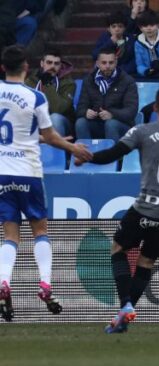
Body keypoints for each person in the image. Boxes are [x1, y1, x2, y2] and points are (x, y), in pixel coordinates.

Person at [75, 88, 159, 333]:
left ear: (155, 109)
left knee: (118, 248)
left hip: (147, 205)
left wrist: (87, 157)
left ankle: (126, 305)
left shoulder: (143, 130)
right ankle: (124, 316)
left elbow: (113, 154)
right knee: (146, 261)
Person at [0, 45, 93, 321]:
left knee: (10, 235)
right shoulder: (35, 96)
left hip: (2, 173)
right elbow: (50, 135)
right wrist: (73, 149)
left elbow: (18, 133)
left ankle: (4, 281)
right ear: (26, 66)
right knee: (40, 230)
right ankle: (45, 283)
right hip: (28, 171)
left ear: (3, 67)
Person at [75, 46, 139, 141]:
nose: (108, 66)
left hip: (121, 125)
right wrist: (86, 112)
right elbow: (80, 108)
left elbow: (131, 111)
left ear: (116, 62)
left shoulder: (128, 81)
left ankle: (114, 155)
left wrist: (112, 114)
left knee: (111, 124)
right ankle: (85, 154)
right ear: (97, 64)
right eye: (104, 63)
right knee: (80, 123)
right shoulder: (88, 80)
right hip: (97, 123)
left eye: (111, 62)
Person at [24, 48, 76, 138]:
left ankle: (56, 151)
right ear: (42, 63)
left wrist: (47, 84)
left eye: (56, 64)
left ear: (60, 66)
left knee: (54, 118)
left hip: (62, 122)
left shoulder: (69, 83)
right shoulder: (30, 81)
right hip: (37, 120)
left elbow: (58, 109)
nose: (52, 66)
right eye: (49, 62)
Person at [93, 11, 137, 75]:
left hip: (125, 73)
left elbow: (134, 60)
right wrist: (110, 42)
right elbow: (95, 55)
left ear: (124, 28)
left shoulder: (130, 39)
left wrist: (120, 70)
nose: (117, 29)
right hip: (106, 71)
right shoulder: (104, 38)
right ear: (109, 28)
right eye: (113, 26)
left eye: (120, 26)